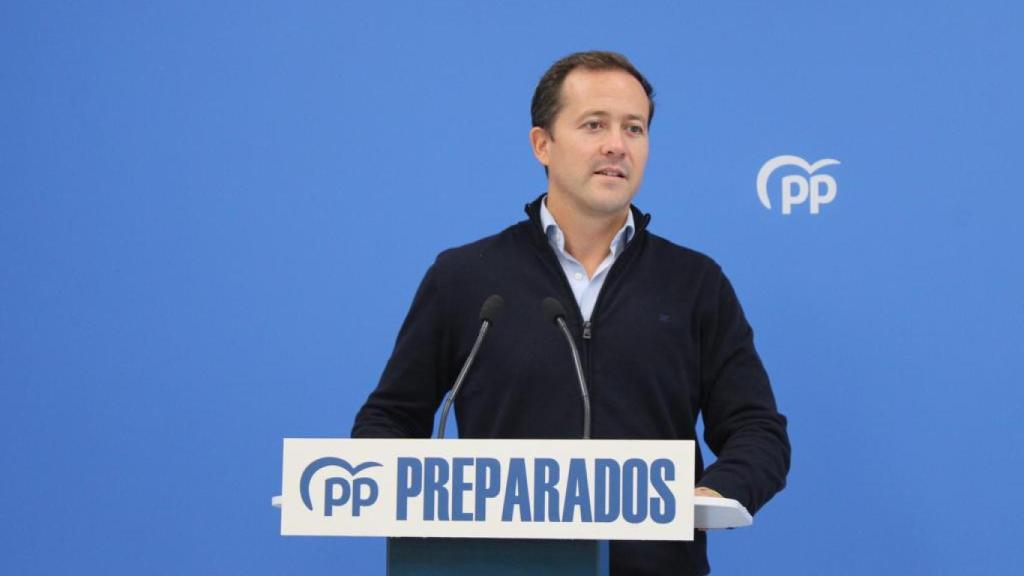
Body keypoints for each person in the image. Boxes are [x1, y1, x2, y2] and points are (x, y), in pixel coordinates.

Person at [352, 51, 790, 576]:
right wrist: (392, 486)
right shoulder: (464, 277)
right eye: (594, 125)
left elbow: (757, 428)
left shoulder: (695, 283)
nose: (616, 145)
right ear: (543, 144)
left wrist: (712, 495)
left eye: (634, 128)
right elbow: (390, 420)